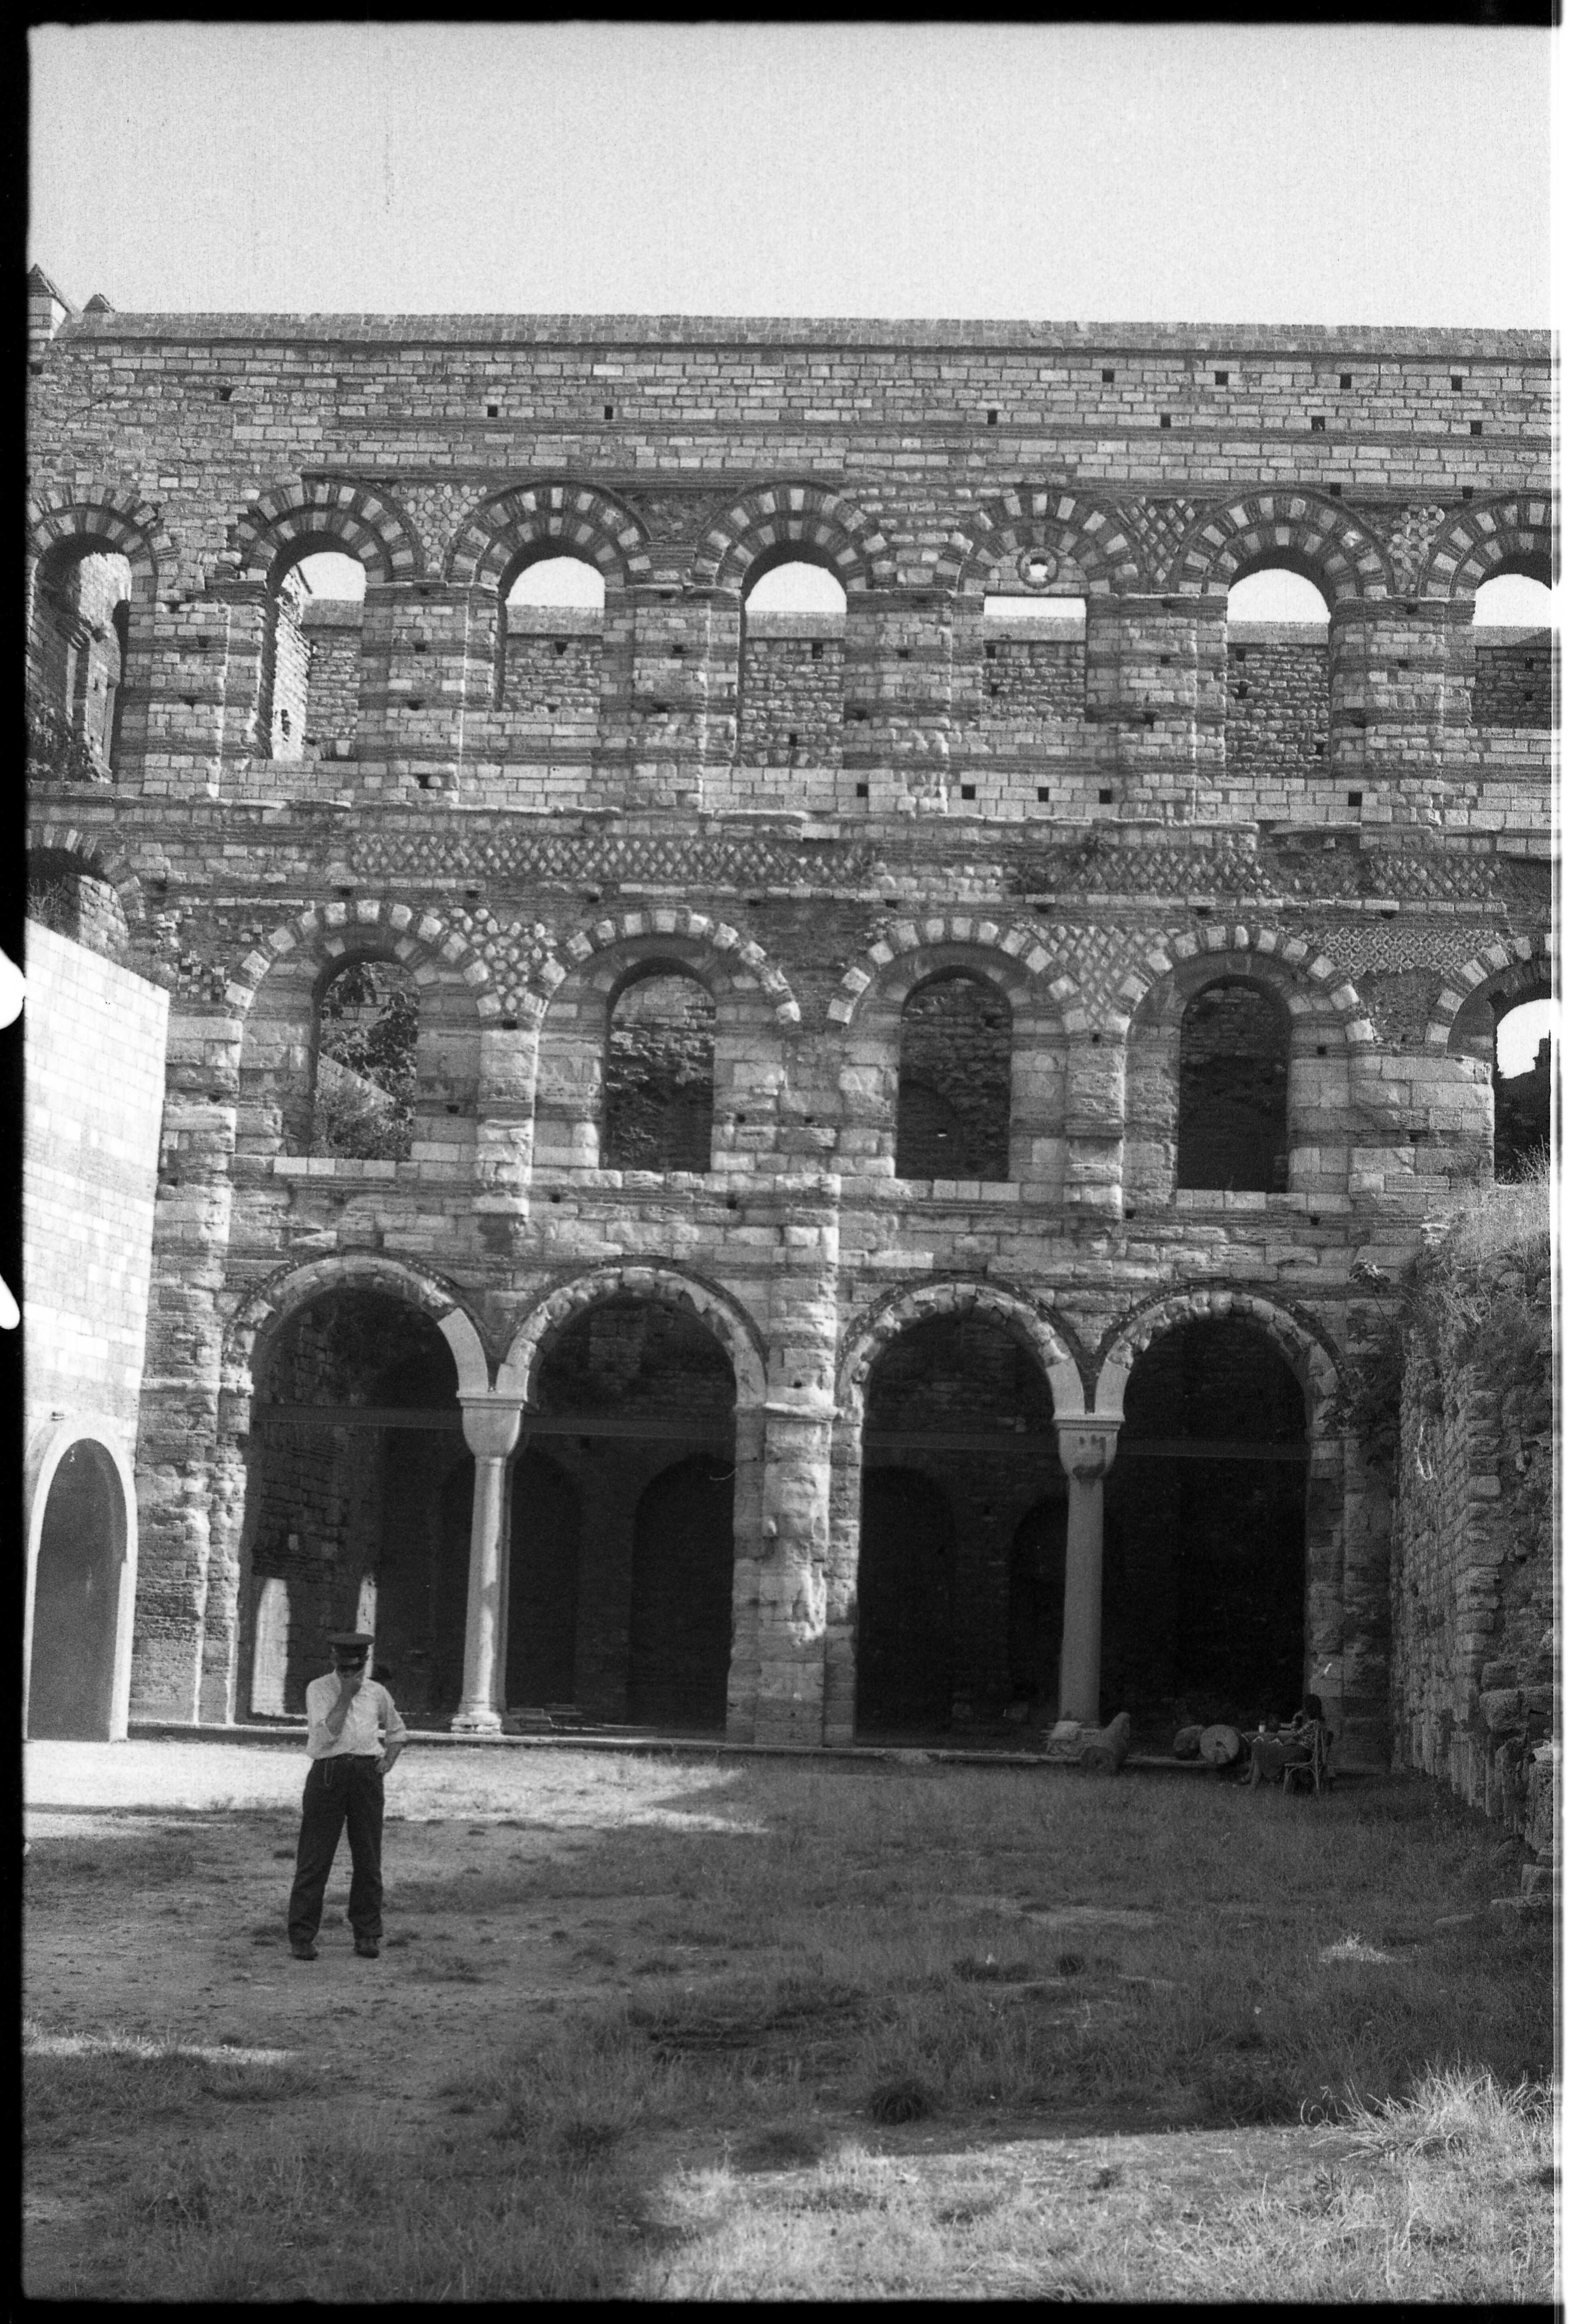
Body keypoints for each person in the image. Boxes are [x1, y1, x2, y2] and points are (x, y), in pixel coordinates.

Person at [287, 1631, 408, 1961]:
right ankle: (302, 1936)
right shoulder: (318, 1689)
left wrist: (387, 1761)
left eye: (354, 1669)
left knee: (368, 1857)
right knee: (315, 1857)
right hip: (328, 1773)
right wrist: (345, 1696)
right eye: (342, 1669)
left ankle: (367, 1933)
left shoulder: (377, 1692)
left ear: (365, 1662)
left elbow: (398, 1732)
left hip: (366, 1774)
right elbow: (326, 1735)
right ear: (333, 1661)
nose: (348, 1675)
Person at [1245, 1692, 1329, 1789]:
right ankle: (1252, 1782)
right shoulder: (1321, 1723)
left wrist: (1295, 1718)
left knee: (1260, 1747)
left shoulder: (1312, 1723)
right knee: (1262, 1748)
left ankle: (1253, 1784)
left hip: (1298, 1752)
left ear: (1309, 1708)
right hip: (1303, 1752)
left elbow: (1294, 1735)